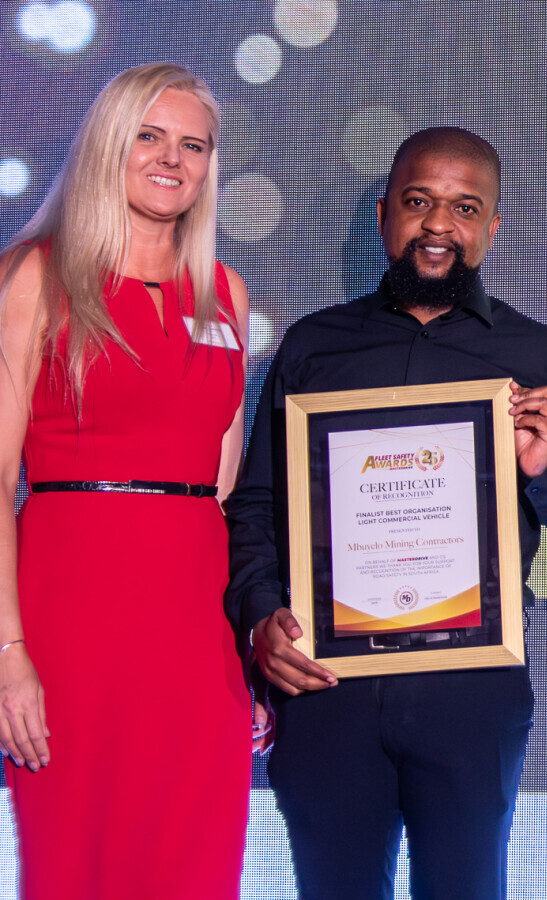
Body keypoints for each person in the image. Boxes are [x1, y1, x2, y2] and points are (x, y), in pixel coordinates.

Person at [223, 126, 547, 900]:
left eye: (465, 208)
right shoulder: (313, 347)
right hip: (328, 685)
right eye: (419, 201)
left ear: (491, 227)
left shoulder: (539, 353)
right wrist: (261, 618)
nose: (439, 225)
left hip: (471, 690)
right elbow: (257, 504)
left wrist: (542, 470)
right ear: (384, 214)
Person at [0, 62, 255, 898]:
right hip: (72, 620)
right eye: (149, 136)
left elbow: (226, 491)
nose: (171, 159)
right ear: (108, 144)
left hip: (198, 631)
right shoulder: (35, 275)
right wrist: (7, 655)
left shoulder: (224, 294)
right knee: (76, 862)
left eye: (194, 145)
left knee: (196, 862)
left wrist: (249, 645)